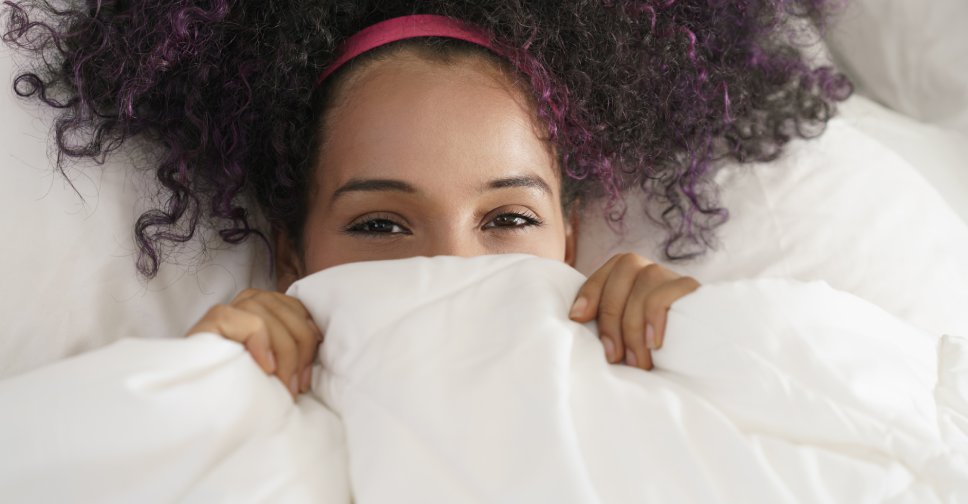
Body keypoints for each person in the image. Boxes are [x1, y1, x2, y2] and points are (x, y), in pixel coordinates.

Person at [3, 1, 850, 396]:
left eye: (508, 218)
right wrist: (187, 403)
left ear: (569, 239)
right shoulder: (225, 401)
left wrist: (721, 361)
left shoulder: (670, 378)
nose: (449, 266)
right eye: (379, 222)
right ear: (294, 254)